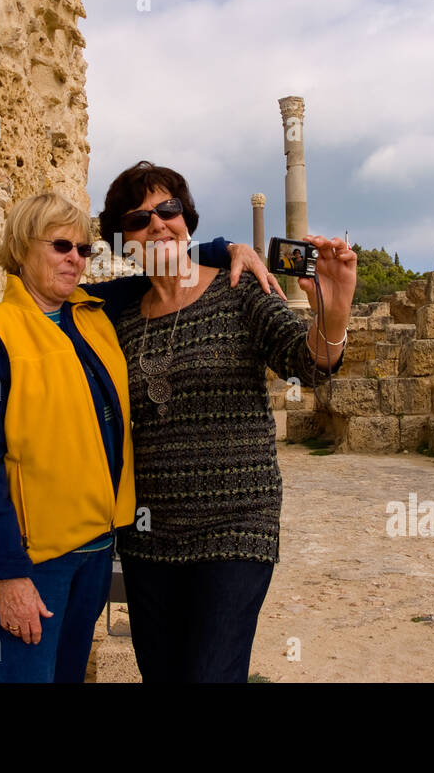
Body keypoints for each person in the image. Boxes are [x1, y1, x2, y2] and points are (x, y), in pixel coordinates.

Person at [0, 191, 275, 683]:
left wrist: (223, 249)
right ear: (21, 248)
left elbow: (163, 264)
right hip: (34, 561)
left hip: (97, 553)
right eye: (61, 247)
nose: (75, 260)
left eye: (84, 250)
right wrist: (7, 573)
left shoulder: (96, 312)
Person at [94, 161, 357, 682]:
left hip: (236, 524)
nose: (158, 224)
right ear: (124, 242)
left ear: (186, 218)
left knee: (212, 672)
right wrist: (226, 243)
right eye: (139, 219)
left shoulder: (238, 290)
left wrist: (335, 311)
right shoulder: (116, 316)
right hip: (149, 534)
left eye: (168, 209)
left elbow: (309, 364)